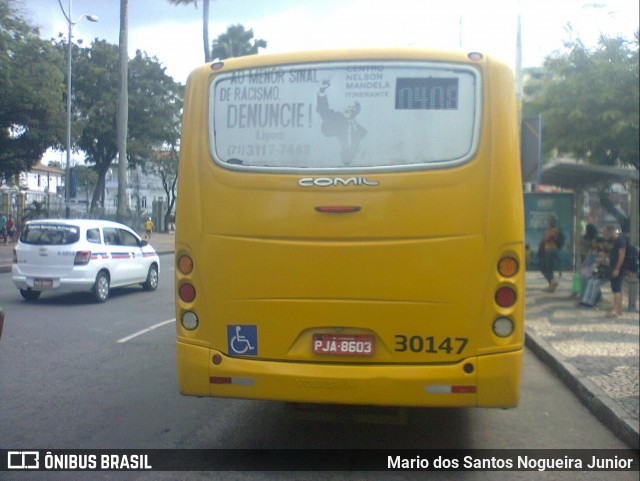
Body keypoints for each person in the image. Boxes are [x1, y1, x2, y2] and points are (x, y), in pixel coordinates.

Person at [603, 225, 627, 318]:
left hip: (618, 267)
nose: (606, 235)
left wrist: (617, 268)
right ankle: (619, 309)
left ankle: (615, 310)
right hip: (613, 266)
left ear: (610, 231)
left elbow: (622, 255)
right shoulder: (613, 241)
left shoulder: (619, 241)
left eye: (606, 232)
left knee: (616, 288)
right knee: (617, 287)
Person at [540, 215, 560, 292]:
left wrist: (545, 238)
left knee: (545, 267)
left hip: (549, 250)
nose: (548, 222)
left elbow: (547, 239)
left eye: (549, 221)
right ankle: (551, 285)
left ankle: (552, 281)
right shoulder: (551, 230)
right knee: (549, 268)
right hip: (550, 249)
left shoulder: (553, 230)